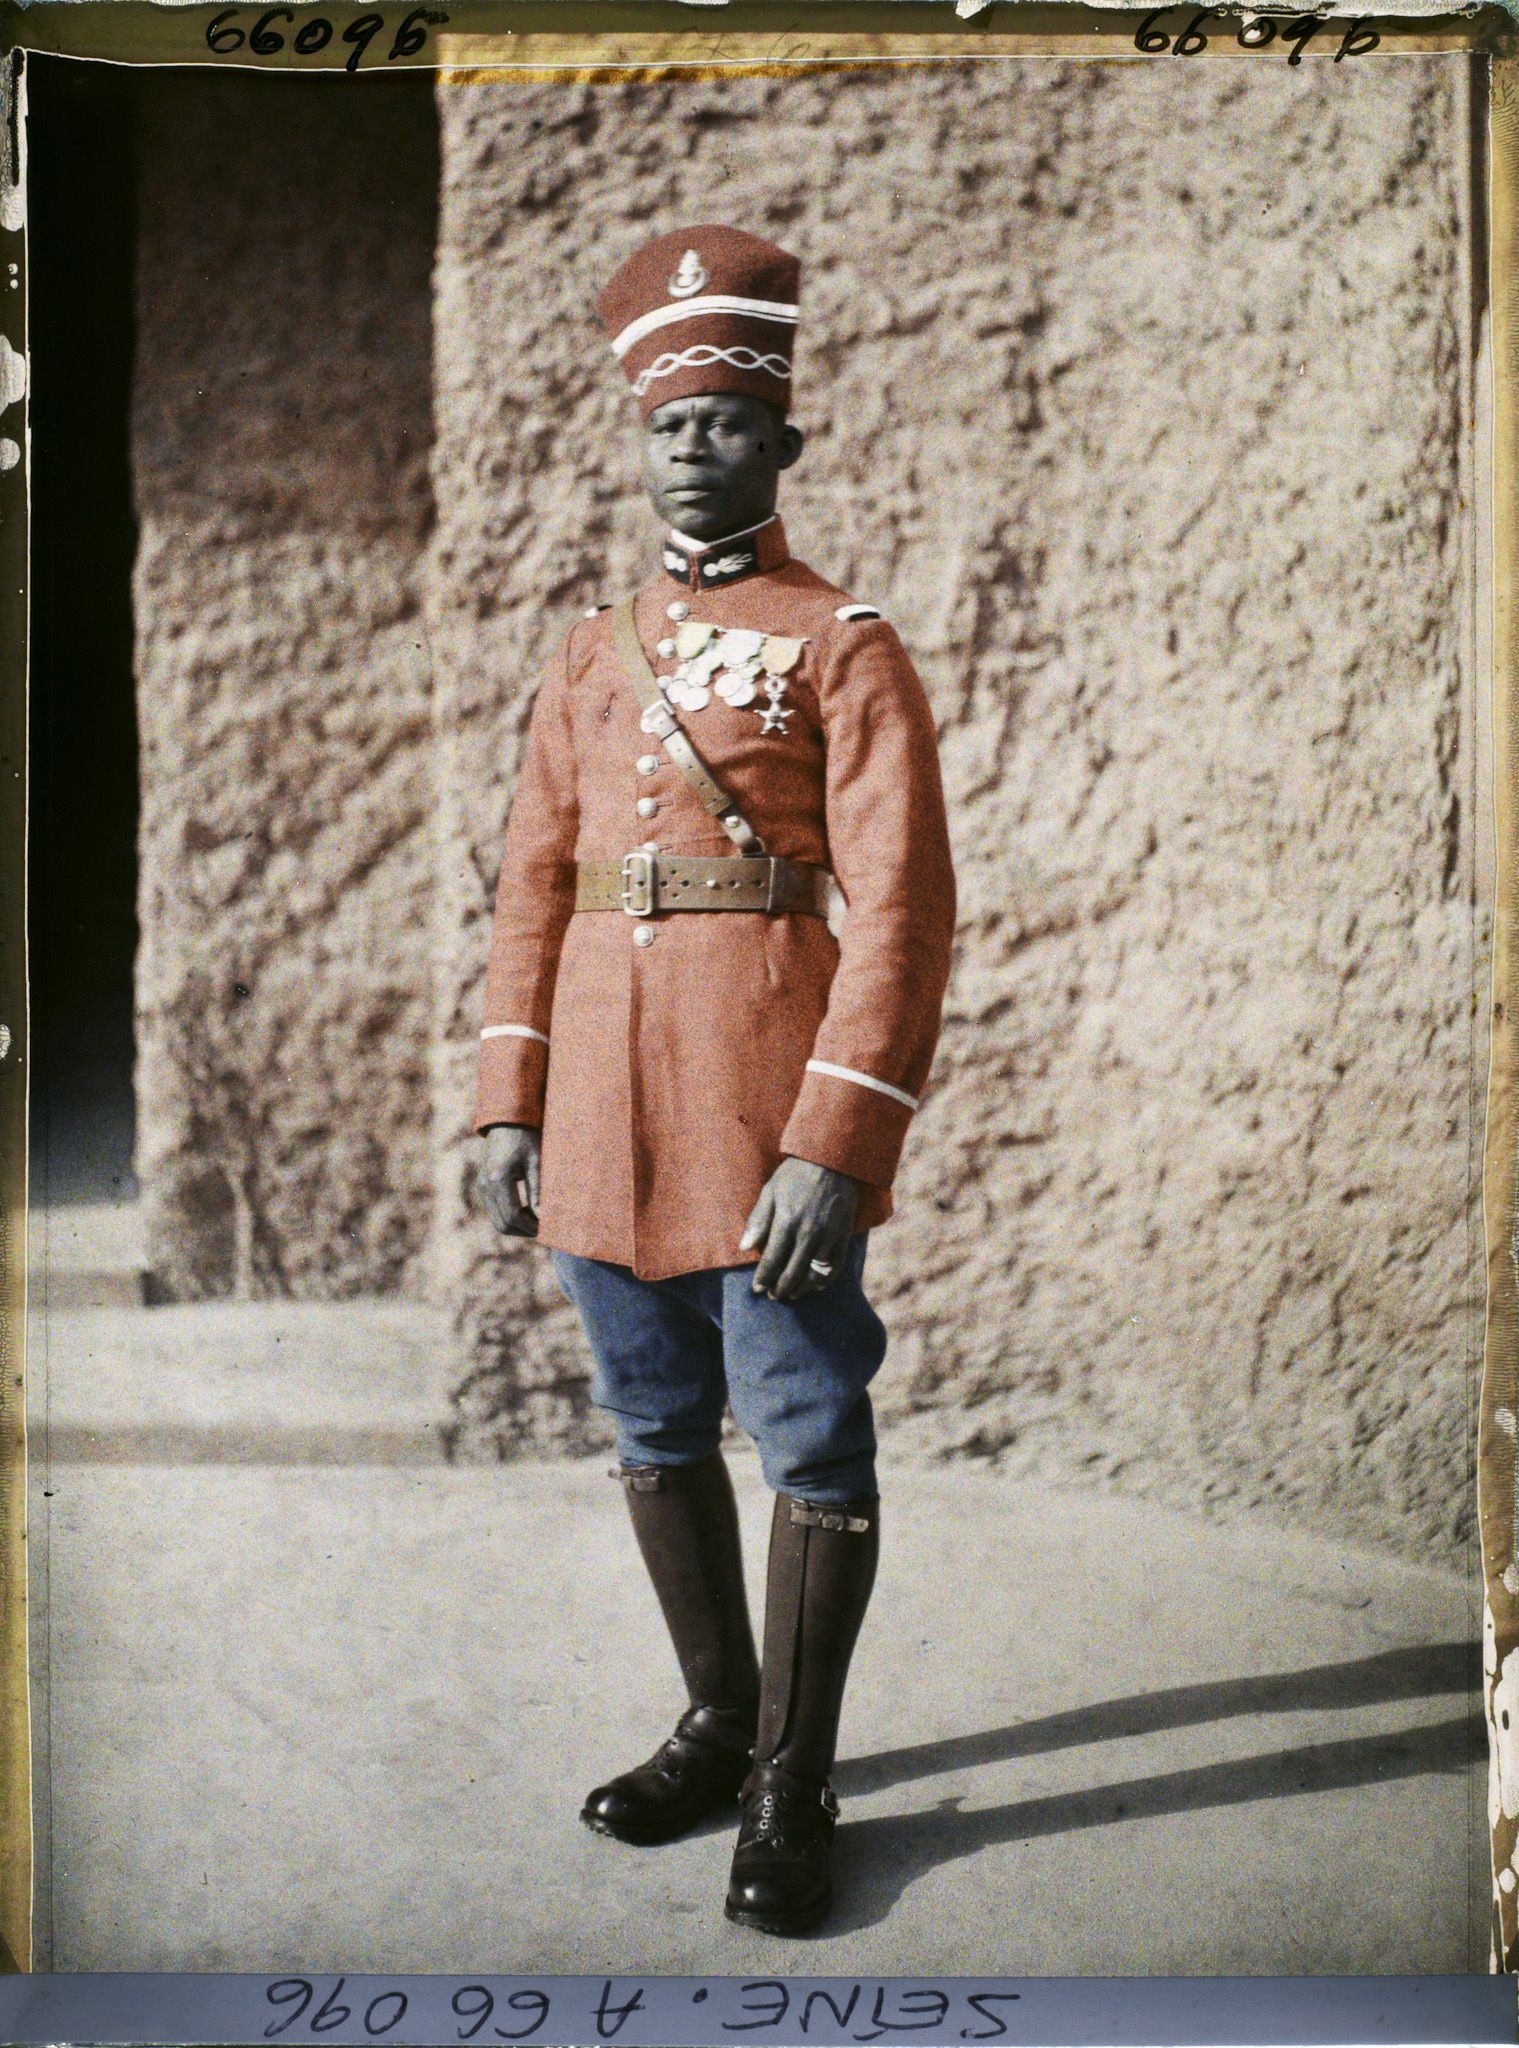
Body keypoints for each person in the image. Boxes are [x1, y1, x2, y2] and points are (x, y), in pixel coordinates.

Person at [474, 223, 956, 1936]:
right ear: (642, 440)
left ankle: (794, 1785)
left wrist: (836, 1142)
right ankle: (717, 1721)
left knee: (809, 1432)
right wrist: (508, 1101)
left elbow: (901, 911)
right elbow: (533, 876)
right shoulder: (591, 652)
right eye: (674, 421)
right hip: (606, 1109)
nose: (701, 446)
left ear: (786, 442)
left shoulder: (845, 642)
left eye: (733, 419)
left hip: (763, 1105)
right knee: (654, 1421)